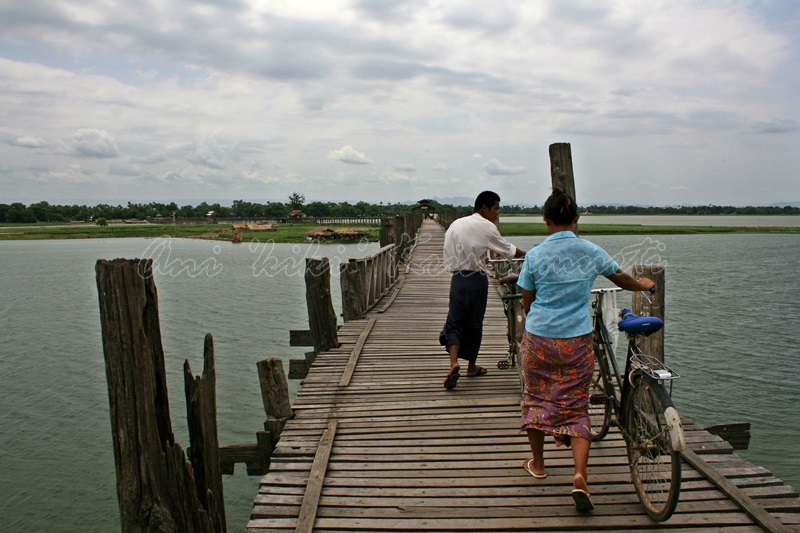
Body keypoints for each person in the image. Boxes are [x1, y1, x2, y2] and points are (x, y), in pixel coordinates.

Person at [515, 188, 654, 513]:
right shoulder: (589, 250)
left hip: (539, 338)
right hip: (577, 340)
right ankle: (579, 475)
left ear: (546, 221)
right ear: (576, 219)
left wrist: (534, 319)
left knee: (534, 398)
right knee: (577, 406)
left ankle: (538, 464)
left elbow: (527, 298)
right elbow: (621, 278)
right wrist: (644, 284)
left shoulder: (535, 255)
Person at [440, 191, 526, 390]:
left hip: (458, 279)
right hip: (477, 280)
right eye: (496, 208)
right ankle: (471, 366)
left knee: (454, 320)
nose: (497, 213)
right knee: (475, 322)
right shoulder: (487, 226)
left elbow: (448, 253)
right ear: (484, 208)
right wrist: (532, 254)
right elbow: (509, 251)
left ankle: (453, 363)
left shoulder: (456, 224)